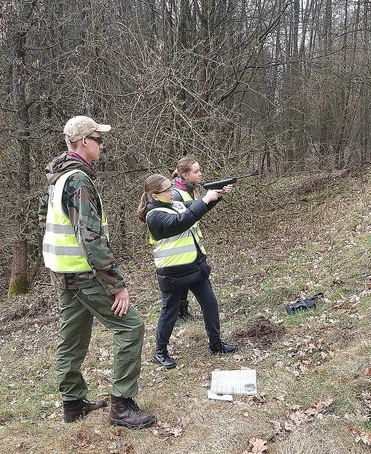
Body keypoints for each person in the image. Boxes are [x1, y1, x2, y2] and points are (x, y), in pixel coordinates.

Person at [40, 115, 156, 429]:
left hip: (63, 273)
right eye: (98, 139)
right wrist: (116, 284)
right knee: (131, 328)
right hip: (83, 273)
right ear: (83, 142)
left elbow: (45, 220)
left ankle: (73, 405)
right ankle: (122, 405)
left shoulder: (59, 177)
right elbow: (89, 237)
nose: (103, 144)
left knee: (72, 337)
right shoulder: (77, 180)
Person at [136, 173, 237, 369]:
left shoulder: (176, 204)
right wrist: (205, 199)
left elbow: (196, 210)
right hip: (172, 272)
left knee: (210, 305)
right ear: (155, 195)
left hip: (193, 265)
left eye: (171, 188)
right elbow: (182, 222)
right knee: (170, 313)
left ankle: (216, 345)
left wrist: (216, 195)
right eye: (166, 190)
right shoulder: (154, 215)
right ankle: (160, 352)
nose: (172, 192)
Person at [170, 158, 204, 321]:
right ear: (184, 175)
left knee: (186, 281)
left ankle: (181, 312)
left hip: (191, 243)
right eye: (196, 171)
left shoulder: (192, 190)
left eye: (199, 170)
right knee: (179, 284)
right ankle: (176, 315)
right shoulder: (175, 194)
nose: (200, 174)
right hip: (178, 246)